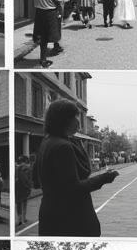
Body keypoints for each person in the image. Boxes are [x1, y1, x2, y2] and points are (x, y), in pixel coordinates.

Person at [33, 99, 119, 236]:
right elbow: (73, 188)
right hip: (70, 217)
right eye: (74, 117)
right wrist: (103, 178)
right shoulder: (63, 146)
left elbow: (36, 180)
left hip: (50, 215)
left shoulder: (47, 141)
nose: (78, 122)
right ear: (63, 120)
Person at [31, 0, 63, 67]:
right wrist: (60, 13)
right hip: (51, 13)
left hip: (39, 13)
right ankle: (54, 48)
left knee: (42, 36)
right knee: (54, 32)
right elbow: (59, 1)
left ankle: (43, 58)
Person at [14, 156, 33, 227]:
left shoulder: (16, 169)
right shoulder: (27, 169)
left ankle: (20, 219)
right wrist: (28, 187)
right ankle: (23, 218)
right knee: (24, 203)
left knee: (20, 204)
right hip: (24, 188)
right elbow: (29, 180)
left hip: (18, 189)